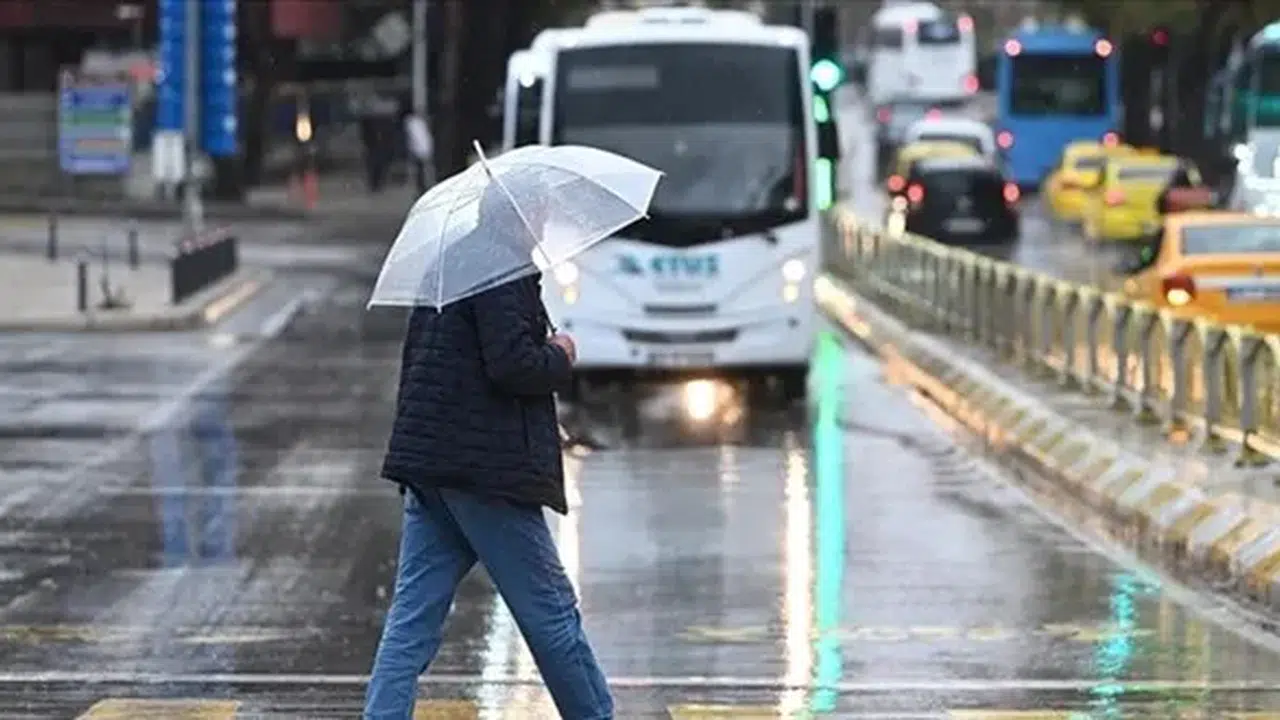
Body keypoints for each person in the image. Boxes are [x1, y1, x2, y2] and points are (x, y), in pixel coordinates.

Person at [364, 185, 614, 720]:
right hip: (486, 474)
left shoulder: (450, 262)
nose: (546, 221)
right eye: (541, 210)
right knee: (551, 614)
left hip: (433, 467)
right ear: (522, 216)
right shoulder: (502, 271)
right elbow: (512, 365)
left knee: (411, 623)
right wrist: (558, 354)